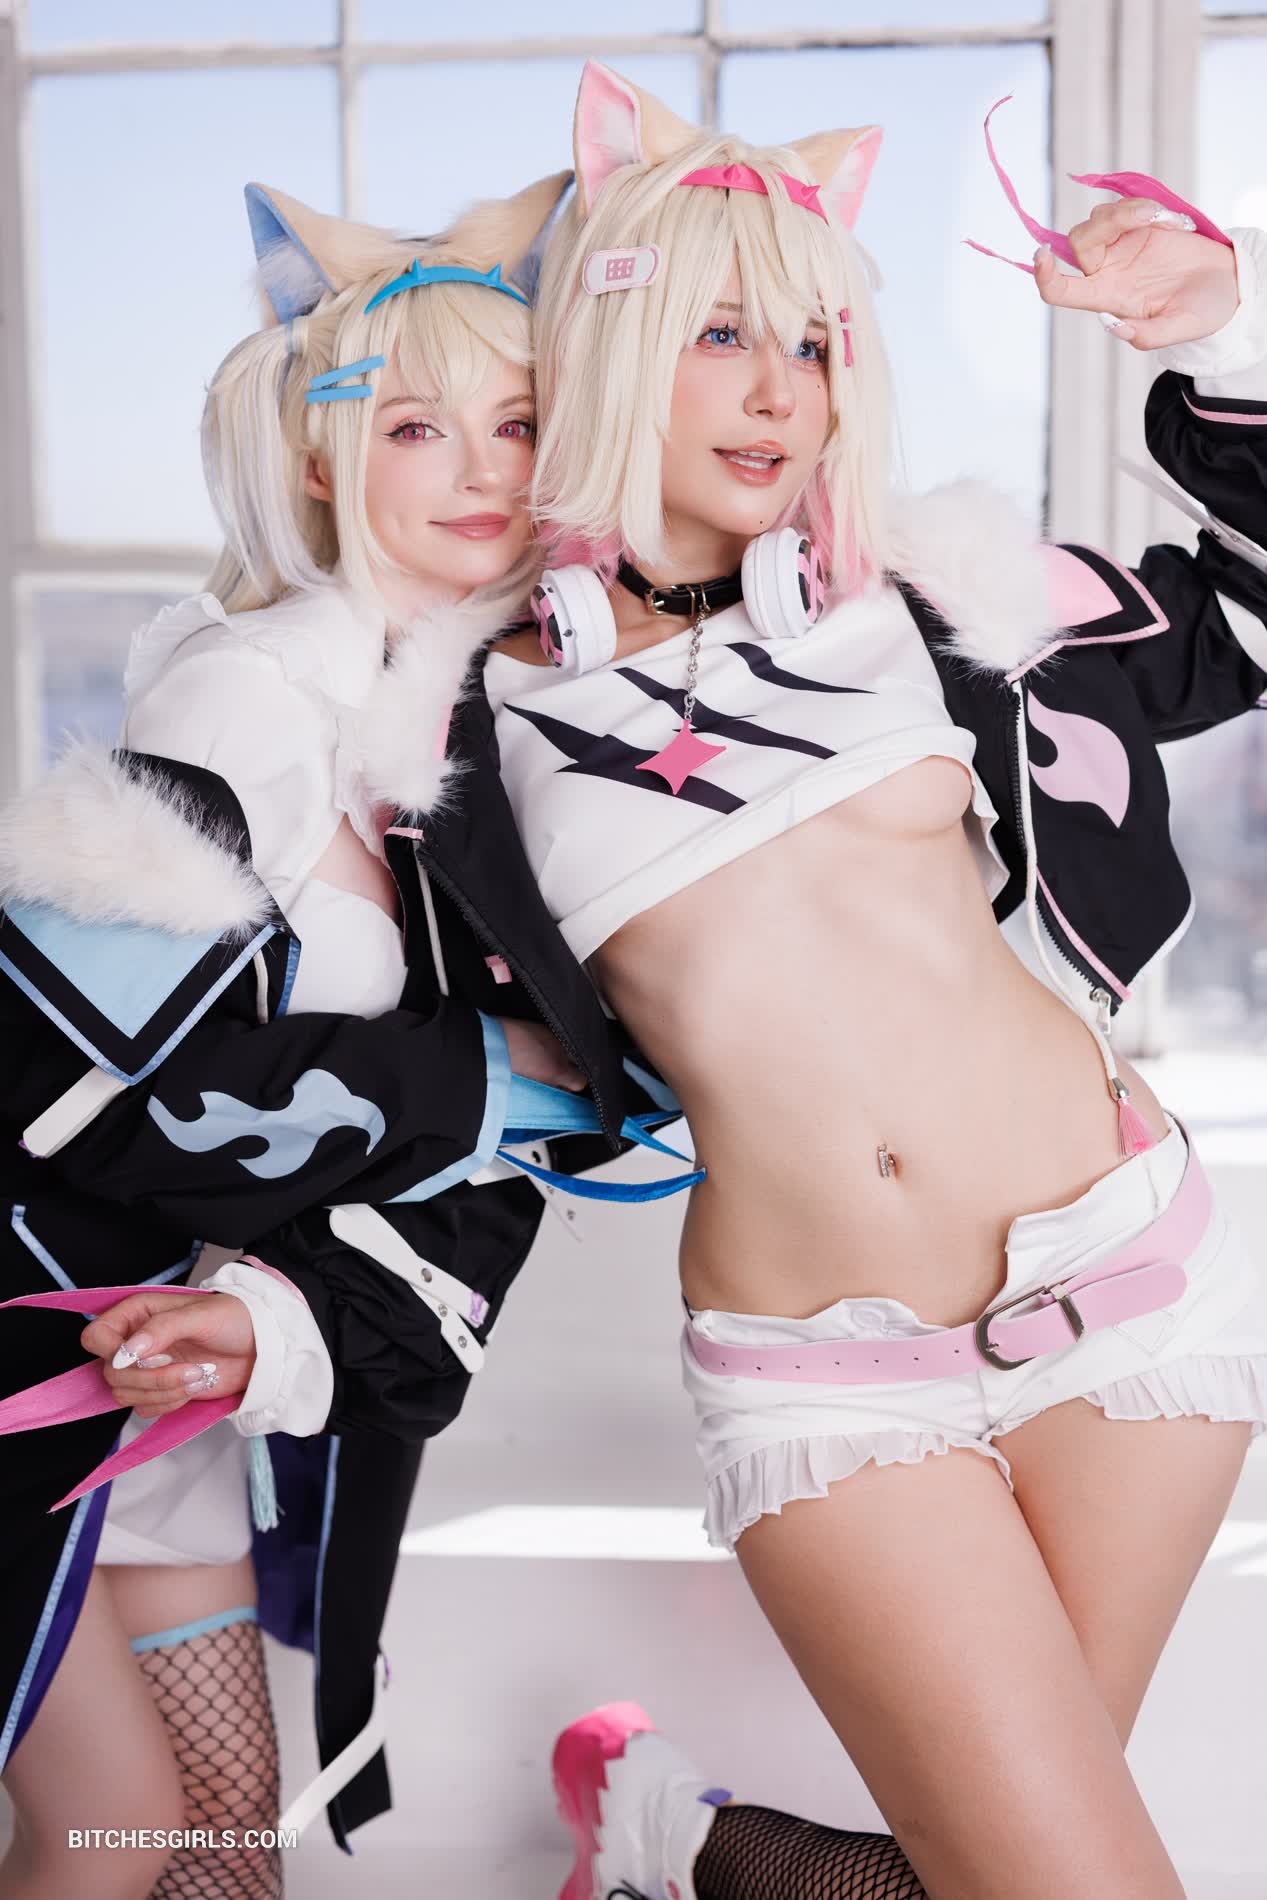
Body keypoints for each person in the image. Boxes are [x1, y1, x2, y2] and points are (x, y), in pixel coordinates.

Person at [481, 62, 1267, 1900]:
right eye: (724, 334)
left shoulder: (937, 606)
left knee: (991, 1873)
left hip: (1127, 1285)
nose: (784, 390)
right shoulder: (462, 713)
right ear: (611, 347)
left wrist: (1226, 336)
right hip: (828, 1376)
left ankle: (677, 1842)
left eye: (820, 343)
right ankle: (684, 1843)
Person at [0, 169, 652, 1900]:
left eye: (521, 423)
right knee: (109, 1831)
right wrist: (483, 1080)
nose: (486, 470)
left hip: (159, 1362)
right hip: (35, 1329)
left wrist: (274, 1321)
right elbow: (77, 1088)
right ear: (319, 456)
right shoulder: (239, 696)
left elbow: (502, 1125)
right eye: (421, 427)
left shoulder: (466, 740)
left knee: (222, 1834)